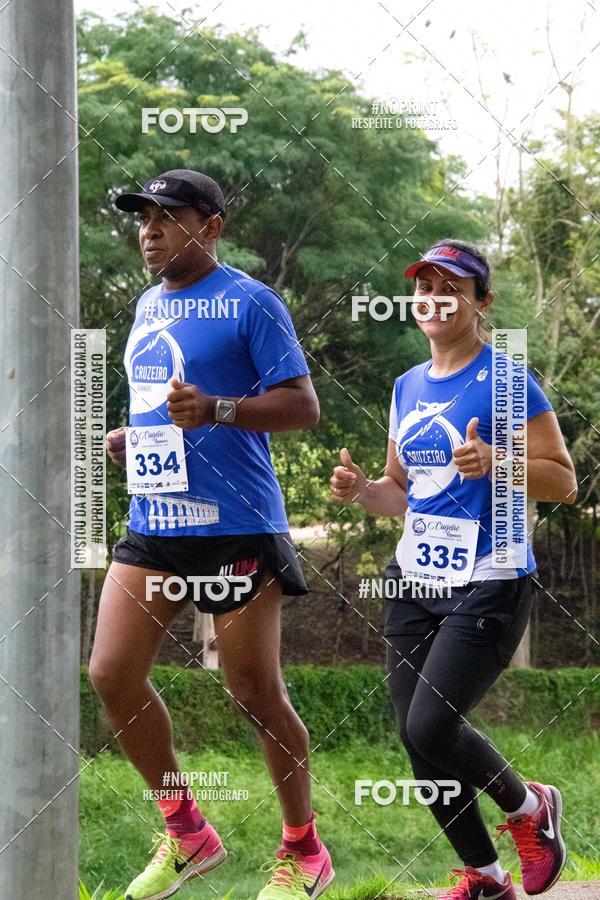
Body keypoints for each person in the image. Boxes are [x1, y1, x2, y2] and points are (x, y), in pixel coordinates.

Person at [91, 169, 335, 900]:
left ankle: (304, 849)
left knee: (253, 690)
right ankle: (187, 830)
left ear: (212, 225)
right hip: (157, 520)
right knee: (111, 671)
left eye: (169, 216)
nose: (150, 229)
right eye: (143, 218)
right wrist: (135, 438)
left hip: (235, 525)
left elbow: (303, 407)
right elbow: (168, 405)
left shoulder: (251, 302)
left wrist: (221, 410)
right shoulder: (144, 306)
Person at [330, 239, 577, 900]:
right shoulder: (406, 386)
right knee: (420, 749)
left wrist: (500, 462)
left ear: (481, 300)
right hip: (415, 578)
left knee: (431, 726)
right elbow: (400, 491)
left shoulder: (508, 379)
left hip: (489, 578)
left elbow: (564, 482)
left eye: (452, 285)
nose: (434, 296)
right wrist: (361, 490)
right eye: (424, 285)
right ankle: (487, 878)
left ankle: (529, 808)